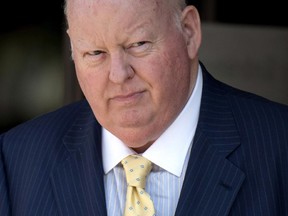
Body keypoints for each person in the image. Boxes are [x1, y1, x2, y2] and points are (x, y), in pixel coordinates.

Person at [1, 0, 288, 215]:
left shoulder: (279, 145)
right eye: (95, 53)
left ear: (189, 32)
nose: (118, 74)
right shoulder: (16, 161)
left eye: (138, 44)